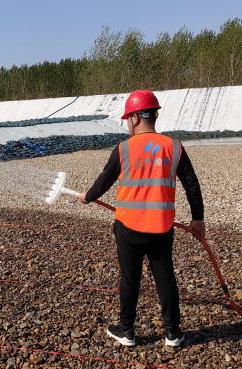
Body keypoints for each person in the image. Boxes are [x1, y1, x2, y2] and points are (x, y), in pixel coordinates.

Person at [77, 89, 205, 347]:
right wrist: (197, 218)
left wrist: (87, 197)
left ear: (135, 118)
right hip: (161, 226)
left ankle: (127, 331)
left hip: (128, 227)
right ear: (153, 115)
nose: (128, 123)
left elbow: (104, 181)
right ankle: (173, 334)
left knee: (130, 278)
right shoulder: (174, 147)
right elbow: (191, 183)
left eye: (128, 119)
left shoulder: (124, 148)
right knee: (165, 275)